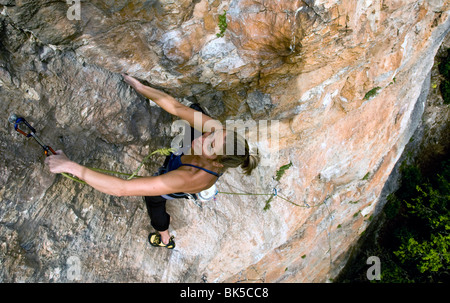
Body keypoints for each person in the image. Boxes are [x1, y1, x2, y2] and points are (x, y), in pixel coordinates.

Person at [45, 74, 260, 249]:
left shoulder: (189, 178)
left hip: (181, 173)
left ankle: (165, 237)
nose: (204, 137)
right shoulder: (217, 132)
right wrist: (140, 86)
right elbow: (176, 108)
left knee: (154, 198)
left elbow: (122, 188)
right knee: (194, 111)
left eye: (210, 145)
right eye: (210, 134)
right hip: (185, 158)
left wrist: (69, 166)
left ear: (218, 163)